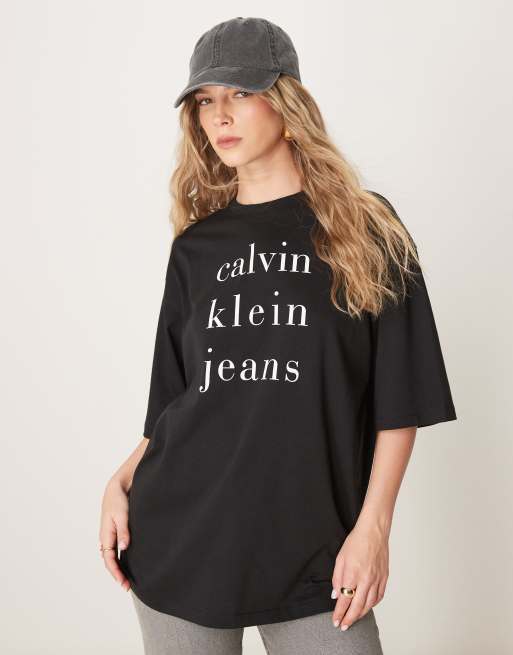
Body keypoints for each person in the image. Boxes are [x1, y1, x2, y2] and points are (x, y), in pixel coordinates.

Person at [99, 16, 457, 655]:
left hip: (314, 551)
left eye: (240, 93)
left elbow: (401, 397)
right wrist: (121, 480)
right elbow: (177, 398)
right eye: (205, 100)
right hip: (182, 539)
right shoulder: (196, 248)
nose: (219, 115)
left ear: (286, 100)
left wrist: (373, 529)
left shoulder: (367, 228)